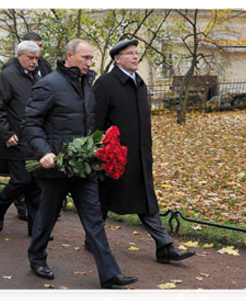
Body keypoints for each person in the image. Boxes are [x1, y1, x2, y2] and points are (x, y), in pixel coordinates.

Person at [21, 39, 137, 289]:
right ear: (69, 56)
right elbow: (29, 123)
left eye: (92, 58)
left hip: (83, 166)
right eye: (85, 58)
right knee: (47, 216)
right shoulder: (48, 85)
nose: (89, 62)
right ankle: (37, 257)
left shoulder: (86, 84)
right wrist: (44, 152)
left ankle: (109, 274)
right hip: (55, 167)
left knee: (94, 219)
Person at [92, 39, 196, 264]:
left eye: (136, 53)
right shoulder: (105, 83)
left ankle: (164, 246)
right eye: (129, 54)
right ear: (117, 59)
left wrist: (146, 153)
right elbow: (95, 122)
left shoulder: (139, 82)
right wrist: (100, 151)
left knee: (146, 199)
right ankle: (93, 238)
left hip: (139, 156)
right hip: (113, 156)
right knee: (104, 197)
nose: (135, 57)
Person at [0, 41, 42, 236]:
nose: (34, 62)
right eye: (30, 58)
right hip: (15, 140)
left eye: (36, 58)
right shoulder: (7, 76)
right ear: (19, 56)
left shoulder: (38, 76)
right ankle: (0, 204)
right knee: (22, 180)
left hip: (35, 140)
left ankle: (36, 229)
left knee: (36, 185)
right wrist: (5, 133)